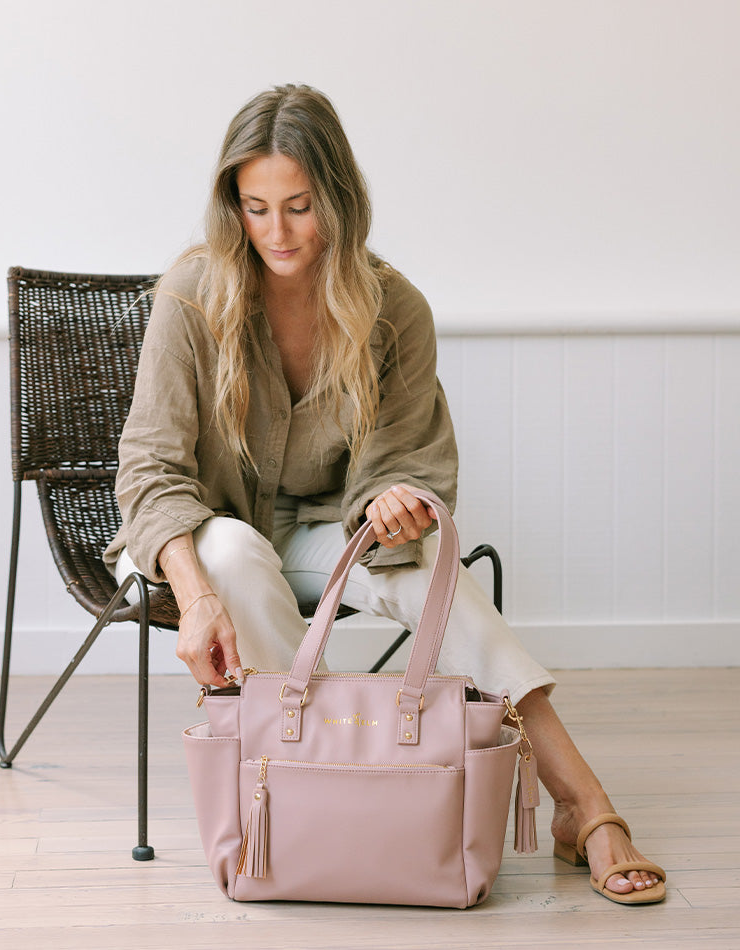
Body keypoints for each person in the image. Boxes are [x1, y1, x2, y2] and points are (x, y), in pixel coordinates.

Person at [104, 84, 666, 905]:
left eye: (298, 206)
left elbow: (408, 456)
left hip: (330, 537)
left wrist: (395, 501)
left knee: (424, 552)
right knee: (227, 549)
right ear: (233, 205)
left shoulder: (393, 307)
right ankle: (327, 779)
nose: (278, 233)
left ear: (337, 198)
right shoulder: (192, 293)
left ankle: (582, 802)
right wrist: (191, 596)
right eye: (255, 208)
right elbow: (149, 468)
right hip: (223, 540)